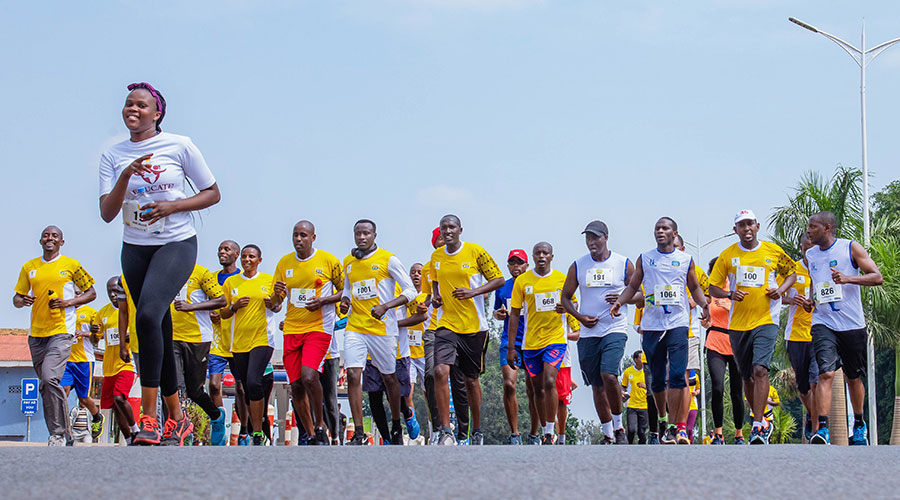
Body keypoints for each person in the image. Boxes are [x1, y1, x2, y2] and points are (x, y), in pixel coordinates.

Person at [98, 82, 220, 445]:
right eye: (128, 104)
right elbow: (106, 212)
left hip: (176, 243)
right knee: (158, 328)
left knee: (148, 316)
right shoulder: (113, 155)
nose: (133, 109)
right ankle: (178, 419)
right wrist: (125, 174)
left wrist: (172, 206)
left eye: (141, 105)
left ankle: (149, 417)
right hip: (135, 247)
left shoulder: (179, 145)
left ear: (157, 113)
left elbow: (213, 193)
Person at [611, 217, 709, 445]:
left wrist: (705, 305)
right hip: (652, 326)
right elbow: (633, 286)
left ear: (674, 234)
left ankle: (675, 427)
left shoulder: (685, 260)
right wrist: (620, 302)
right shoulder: (645, 259)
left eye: (665, 228)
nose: (660, 231)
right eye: (657, 228)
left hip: (678, 323)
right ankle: (664, 419)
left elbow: (694, 287)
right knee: (656, 380)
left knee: (677, 376)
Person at [709, 209, 796, 445]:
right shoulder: (728, 255)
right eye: (742, 225)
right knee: (746, 377)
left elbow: (791, 273)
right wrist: (729, 294)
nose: (747, 228)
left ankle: (758, 425)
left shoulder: (772, 251)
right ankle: (759, 417)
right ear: (735, 230)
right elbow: (712, 287)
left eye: (750, 224)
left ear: (757, 226)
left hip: (766, 320)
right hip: (738, 324)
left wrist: (780, 290)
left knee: (760, 370)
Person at [13, 225, 97, 446]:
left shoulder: (71, 265)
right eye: (46, 235)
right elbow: (17, 298)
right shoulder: (29, 267)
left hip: (62, 332)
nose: (49, 238)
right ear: (41, 240)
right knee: (47, 384)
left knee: (50, 378)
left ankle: (57, 434)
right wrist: (23, 300)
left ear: (62, 242)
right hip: (36, 334)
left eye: (54, 236)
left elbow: (91, 293)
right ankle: (66, 434)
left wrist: (68, 302)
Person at [805, 211, 883, 445]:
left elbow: (876, 277)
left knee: (853, 377)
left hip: (851, 323)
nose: (808, 230)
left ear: (827, 228)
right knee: (826, 373)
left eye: (813, 226)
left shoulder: (850, 248)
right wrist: (811, 300)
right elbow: (815, 282)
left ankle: (859, 424)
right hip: (823, 321)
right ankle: (823, 429)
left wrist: (848, 279)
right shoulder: (810, 254)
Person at [562, 220, 639, 445]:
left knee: (609, 375)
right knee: (596, 384)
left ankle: (619, 428)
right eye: (588, 238)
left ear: (606, 237)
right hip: (589, 332)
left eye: (595, 237)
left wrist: (622, 299)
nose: (591, 242)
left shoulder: (623, 263)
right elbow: (565, 298)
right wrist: (579, 317)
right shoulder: (578, 265)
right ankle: (607, 433)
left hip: (614, 327)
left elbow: (641, 296)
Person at [429, 215, 505, 445]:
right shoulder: (436, 256)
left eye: (452, 227)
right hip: (446, 324)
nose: (447, 231)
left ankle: (477, 430)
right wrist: (436, 297)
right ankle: (446, 430)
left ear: (460, 230)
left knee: (470, 380)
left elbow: (499, 280)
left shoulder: (475, 252)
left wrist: (473, 292)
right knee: (440, 371)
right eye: (444, 228)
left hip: (474, 327)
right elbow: (435, 280)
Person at [340, 220, 416, 445]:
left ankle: (396, 425)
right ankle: (359, 433)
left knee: (389, 377)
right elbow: (347, 289)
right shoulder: (349, 262)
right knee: (353, 374)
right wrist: (345, 301)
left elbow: (410, 291)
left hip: (382, 329)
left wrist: (386, 306)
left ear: (374, 235)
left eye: (366, 233)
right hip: (355, 327)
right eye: (358, 233)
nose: (361, 237)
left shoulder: (388, 259)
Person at [271, 220, 344, 445]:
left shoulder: (328, 261)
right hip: (292, 328)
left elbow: (345, 291)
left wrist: (323, 300)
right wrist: (276, 294)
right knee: (296, 385)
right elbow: (275, 304)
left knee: (309, 375)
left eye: (303, 235)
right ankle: (311, 434)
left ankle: (321, 425)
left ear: (313, 238)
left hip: (318, 327)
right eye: (295, 235)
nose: (298, 239)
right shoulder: (284, 263)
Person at [508, 242, 569, 445]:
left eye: (545, 253)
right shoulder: (523, 281)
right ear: (533, 257)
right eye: (538, 253)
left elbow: (573, 303)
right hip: (531, 342)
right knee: (537, 388)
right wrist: (511, 348)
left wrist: (566, 307)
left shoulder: (561, 279)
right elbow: (514, 314)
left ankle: (550, 432)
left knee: (550, 381)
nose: (541, 256)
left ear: (552, 256)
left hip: (555, 339)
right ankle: (544, 429)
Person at [220, 244, 279, 446]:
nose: (247, 260)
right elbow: (223, 313)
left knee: (254, 382)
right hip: (239, 342)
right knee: (246, 388)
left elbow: (277, 306)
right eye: (244, 256)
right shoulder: (231, 282)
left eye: (251, 257)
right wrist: (234, 306)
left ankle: (257, 434)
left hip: (263, 339)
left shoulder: (268, 280)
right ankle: (260, 426)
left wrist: (274, 300)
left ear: (259, 260)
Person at [422, 228, 471, 444]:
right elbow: (427, 296)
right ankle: (440, 429)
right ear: (434, 242)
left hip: (461, 328)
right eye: (439, 238)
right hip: (435, 329)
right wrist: (426, 303)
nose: (443, 241)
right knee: (432, 375)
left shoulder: (464, 261)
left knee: (459, 380)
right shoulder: (429, 267)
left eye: (445, 237)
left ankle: (463, 432)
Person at [170, 264, 227, 445]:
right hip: (172, 337)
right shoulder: (164, 271)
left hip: (198, 338)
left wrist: (191, 307)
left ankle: (216, 416)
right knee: (175, 386)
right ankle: (176, 427)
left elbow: (222, 300)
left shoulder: (201, 273)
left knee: (194, 392)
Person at [492, 249, 538, 445]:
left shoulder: (535, 283)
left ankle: (534, 434)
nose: (516, 266)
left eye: (520, 262)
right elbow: (496, 311)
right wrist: (498, 314)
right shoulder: (503, 287)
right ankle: (515, 434)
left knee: (533, 388)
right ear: (508, 266)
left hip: (533, 341)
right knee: (509, 384)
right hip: (509, 342)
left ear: (527, 265)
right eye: (512, 262)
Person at [210, 240, 251, 445]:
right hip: (217, 339)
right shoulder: (211, 279)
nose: (222, 252)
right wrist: (210, 312)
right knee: (213, 385)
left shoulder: (244, 279)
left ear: (237, 254)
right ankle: (218, 425)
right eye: (220, 249)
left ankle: (244, 431)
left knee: (241, 389)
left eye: (227, 249)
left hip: (238, 339)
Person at [703, 257, 744, 445]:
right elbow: (706, 313)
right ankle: (718, 434)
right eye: (714, 270)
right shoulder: (710, 290)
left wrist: (730, 307)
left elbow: (747, 313)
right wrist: (706, 321)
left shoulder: (736, 287)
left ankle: (739, 433)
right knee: (717, 387)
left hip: (735, 343)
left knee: (736, 391)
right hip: (715, 342)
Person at [94, 277, 139, 444]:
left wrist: (130, 336)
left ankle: (135, 429)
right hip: (109, 366)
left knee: (119, 397)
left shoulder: (132, 309)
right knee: (115, 406)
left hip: (127, 363)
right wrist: (93, 333)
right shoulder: (102, 313)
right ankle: (128, 439)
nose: (113, 294)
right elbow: (95, 340)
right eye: (109, 292)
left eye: (115, 290)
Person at [783, 234, 818, 442]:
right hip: (796, 335)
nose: (809, 253)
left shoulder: (824, 268)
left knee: (817, 380)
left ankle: (818, 425)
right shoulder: (792, 270)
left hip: (820, 333)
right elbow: (775, 295)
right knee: (803, 387)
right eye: (806, 249)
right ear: (801, 248)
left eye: (813, 248)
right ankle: (812, 416)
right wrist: (791, 300)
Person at [62, 298, 104, 441]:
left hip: (84, 360)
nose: (76, 295)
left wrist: (84, 333)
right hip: (67, 359)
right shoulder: (65, 311)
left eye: (79, 292)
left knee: (83, 398)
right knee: (62, 392)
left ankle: (97, 417)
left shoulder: (91, 313)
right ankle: (63, 427)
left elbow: (98, 336)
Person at [405, 263, 429, 440]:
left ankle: (434, 427)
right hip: (408, 351)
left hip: (425, 351)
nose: (416, 275)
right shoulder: (405, 296)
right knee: (407, 392)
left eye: (419, 272)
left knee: (429, 393)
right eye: (412, 272)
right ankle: (412, 422)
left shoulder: (428, 296)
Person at [621, 350, 648, 444]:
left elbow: (653, 387)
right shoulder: (628, 372)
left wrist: (644, 386)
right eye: (641, 358)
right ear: (635, 359)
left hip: (644, 405)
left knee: (642, 432)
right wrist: (622, 393)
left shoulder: (647, 372)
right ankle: (628, 447)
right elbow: (623, 386)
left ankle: (641, 450)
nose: (643, 360)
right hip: (631, 405)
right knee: (631, 430)